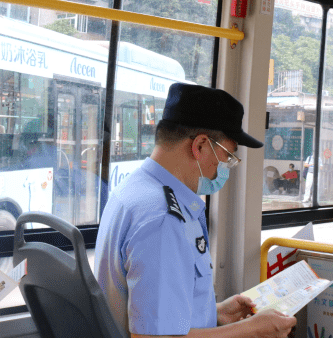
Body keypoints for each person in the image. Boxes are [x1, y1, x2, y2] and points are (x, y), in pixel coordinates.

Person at [95, 83, 296, 338]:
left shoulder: (136, 189)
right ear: (200, 145)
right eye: (228, 156)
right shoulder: (164, 220)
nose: (226, 167)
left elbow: (153, 307)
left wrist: (216, 312)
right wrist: (253, 330)